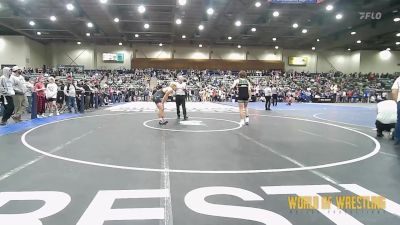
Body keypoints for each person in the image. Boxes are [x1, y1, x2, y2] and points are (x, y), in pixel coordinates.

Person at [391, 77, 400, 144]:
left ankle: (397, 139)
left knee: (399, 121)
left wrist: (397, 102)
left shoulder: (399, 79)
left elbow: (394, 91)